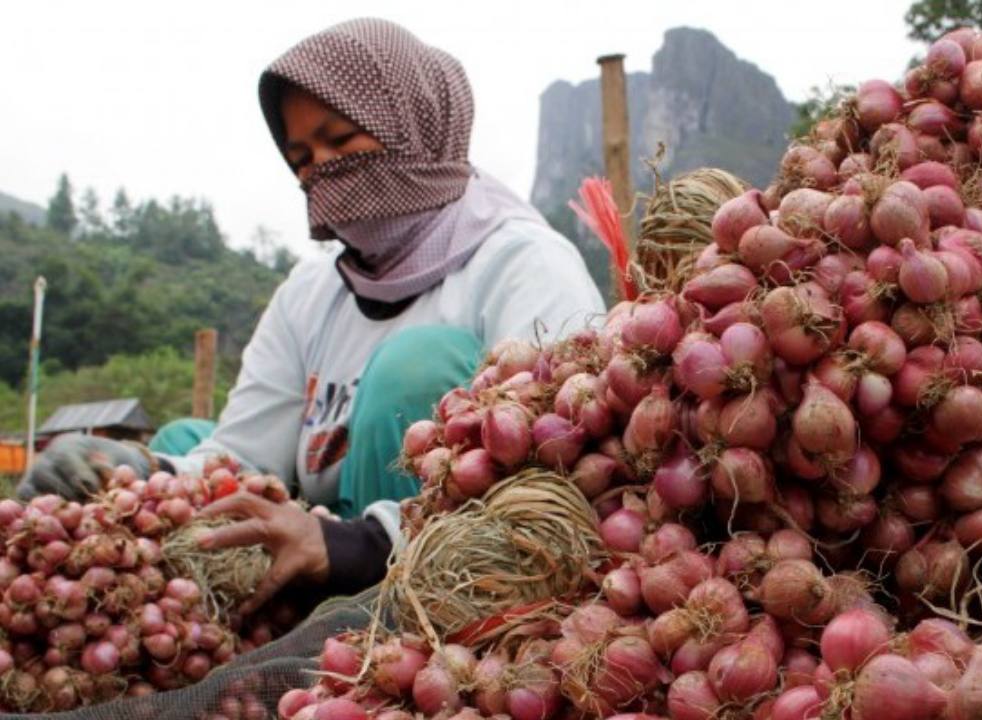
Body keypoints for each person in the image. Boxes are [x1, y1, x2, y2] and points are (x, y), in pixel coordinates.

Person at [19, 18, 604, 611]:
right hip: (328, 532)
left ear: (414, 126)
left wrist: (358, 544)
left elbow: (559, 469)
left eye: (340, 141)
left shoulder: (523, 263)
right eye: (301, 156)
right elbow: (243, 453)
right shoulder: (312, 289)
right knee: (179, 440)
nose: (319, 170)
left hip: (461, 567)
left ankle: (391, 608)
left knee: (415, 363)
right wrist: (137, 468)